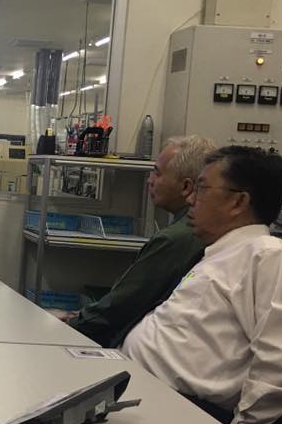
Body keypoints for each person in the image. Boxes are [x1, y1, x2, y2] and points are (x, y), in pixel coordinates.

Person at [122, 146, 282, 424]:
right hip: (142, 393)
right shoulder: (221, 254)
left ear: (238, 201)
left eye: (201, 189)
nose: (190, 199)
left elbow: (280, 376)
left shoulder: (269, 256)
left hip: (177, 416)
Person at [68, 136, 216, 347]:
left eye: (157, 173)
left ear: (186, 187)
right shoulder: (202, 232)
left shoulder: (174, 239)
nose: (150, 180)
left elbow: (118, 308)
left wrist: (69, 323)